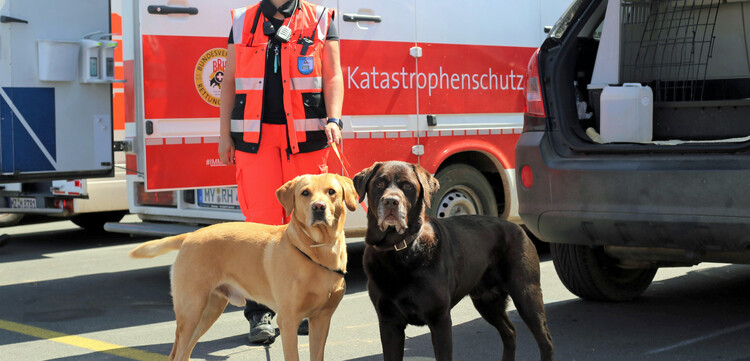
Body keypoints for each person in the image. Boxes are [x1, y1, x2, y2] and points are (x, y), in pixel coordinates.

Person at [218, 0, 344, 344]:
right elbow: (229, 81)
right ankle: (260, 313)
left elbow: (333, 75)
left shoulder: (320, 18)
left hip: (306, 139)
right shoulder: (243, 20)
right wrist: (224, 134)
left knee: (310, 224)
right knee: (260, 226)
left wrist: (334, 119)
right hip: (254, 141)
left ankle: (305, 307)